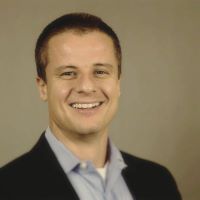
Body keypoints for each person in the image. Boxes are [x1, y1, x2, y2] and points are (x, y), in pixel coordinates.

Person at [0, 13, 182, 200]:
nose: (86, 87)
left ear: (118, 83)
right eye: (69, 73)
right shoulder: (7, 188)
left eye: (100, 72)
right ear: (43, 87)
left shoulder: (158, 181)